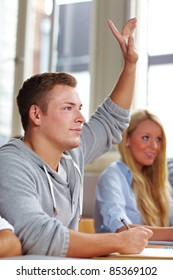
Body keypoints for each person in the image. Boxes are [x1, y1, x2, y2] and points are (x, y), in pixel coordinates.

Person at [0, 18, 152, 258]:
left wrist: (130, 65)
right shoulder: (10, 165)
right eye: (68, 108)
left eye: (79, 107)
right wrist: (117, 241)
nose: (81, 117)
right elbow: (40, 236)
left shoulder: (70, 153)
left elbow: (111, 121)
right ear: (36, 115)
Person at [94, 109, 173, 240]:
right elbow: (122, 229)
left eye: (158, 139)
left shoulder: (156, 181)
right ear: (127, 140)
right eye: (145, 138)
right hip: (117, 258)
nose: (154, 146)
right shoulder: (112, 176)